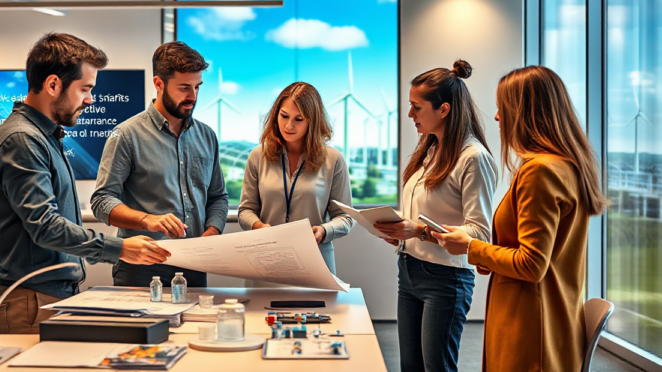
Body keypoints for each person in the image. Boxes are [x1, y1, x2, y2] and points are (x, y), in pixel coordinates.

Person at [0, 33, 166, 334]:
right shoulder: (22, 141)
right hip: (29, 300)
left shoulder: (43, 137)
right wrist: (119, 248)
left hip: (47, 296)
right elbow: (45, 226)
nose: (91, 99)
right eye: (85, 89)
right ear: (53, 85)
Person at [434, 66, 607, 372]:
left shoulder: (538, 172)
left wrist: (471, 246)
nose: (497, 117)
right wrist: (484, 256)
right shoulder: (566, 167)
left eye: (503, 107)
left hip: (529, 332)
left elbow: (531, 264)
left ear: (525, 112)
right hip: (552, 324)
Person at [374, 60, 497, 372]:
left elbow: (479, 234)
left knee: (437, 368)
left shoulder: (473, 158)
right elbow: (423, 214)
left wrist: (419, 232)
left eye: (416, 107)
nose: (409, 115)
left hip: (446, 278)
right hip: (410, 270)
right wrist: (401, 229)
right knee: (411, 367)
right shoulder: (430, 149)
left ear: (443, 109)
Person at [91, 41, 228, 288]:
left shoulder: (207, 136)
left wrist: (213, 231)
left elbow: (218, 197)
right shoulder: (125, 135)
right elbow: (102, 202)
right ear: (159, 84)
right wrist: (147, 220)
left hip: (195, 266)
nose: (193, 97)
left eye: (197, 87)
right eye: (184, 87)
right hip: (141, 268)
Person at [238, 82, 353, 275]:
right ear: (276, 115)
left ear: (312, 122)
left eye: (299, 119)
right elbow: (245, 210)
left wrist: (324, 231)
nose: (289, 125)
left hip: (315, 263)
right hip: (265, 261)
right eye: (284, 116)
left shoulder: (334, 160)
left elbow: (346, 218)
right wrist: (258, 226)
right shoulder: (258, 156)